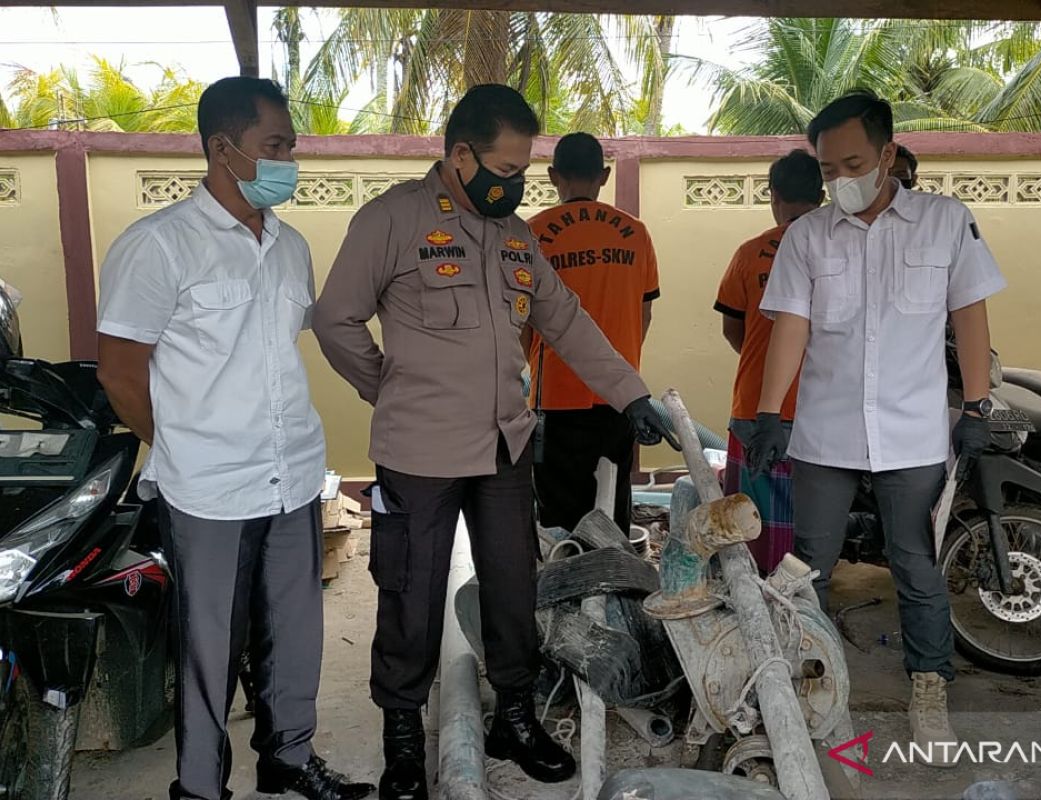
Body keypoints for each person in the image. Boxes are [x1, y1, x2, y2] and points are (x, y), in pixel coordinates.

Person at [312, 84, 678, 800]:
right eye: (505, 170)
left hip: (507, 445)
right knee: (409, 596)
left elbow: (566, 320)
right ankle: (403, 739)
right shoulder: (392, 219)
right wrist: (388, 390)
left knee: (513, 587)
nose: (515, 184)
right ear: (459, 154)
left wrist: (630, 393)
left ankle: (513, 714)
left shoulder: (515, 237)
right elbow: (336, 321)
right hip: (418, 450)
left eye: (523, 173)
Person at [95, 77, 374, 800]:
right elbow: (122, 374)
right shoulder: (158, 246)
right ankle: (198, 787)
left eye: (291, 145)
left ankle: (288, 757)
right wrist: (184, 447)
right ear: (224, 149)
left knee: (296, 634)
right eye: (275, 145)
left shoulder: (289, 247)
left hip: (292, 475)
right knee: (208, 650)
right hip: (207, 490)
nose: (291, 160)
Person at [746, 91, 1005, 765]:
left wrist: (975, 406)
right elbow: (792, 328)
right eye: (827, 169)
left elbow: (970, 317)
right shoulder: (808, 236)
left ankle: (929, 687)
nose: (839, 180)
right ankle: (808, 682)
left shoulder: (946, 222)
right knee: (809, 565)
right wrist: (773, 412)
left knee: (916, 565)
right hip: (826, 432)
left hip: (914, 431)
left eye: (852, 163)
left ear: (888, 154)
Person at [525, 132, 661, 535]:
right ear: (603, 175)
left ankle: (564, 589)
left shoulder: (533, 233)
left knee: (558, 515)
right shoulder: (635, 233)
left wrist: (530, 364)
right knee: (611, 506)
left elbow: (521, 320)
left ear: (553, 176)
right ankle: (612, 585)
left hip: (554, 395)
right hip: (621, 397)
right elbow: (645, 312)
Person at [713, 150, 823, 573]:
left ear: (773, 195)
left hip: (757, 410)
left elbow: (732, 329)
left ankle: (760, 603)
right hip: (824, 410)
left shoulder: (750, 253)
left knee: (753, 528)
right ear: (822, 192)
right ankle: (809, 605)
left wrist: (774, 366)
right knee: (815, 524)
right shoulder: (840, 248)